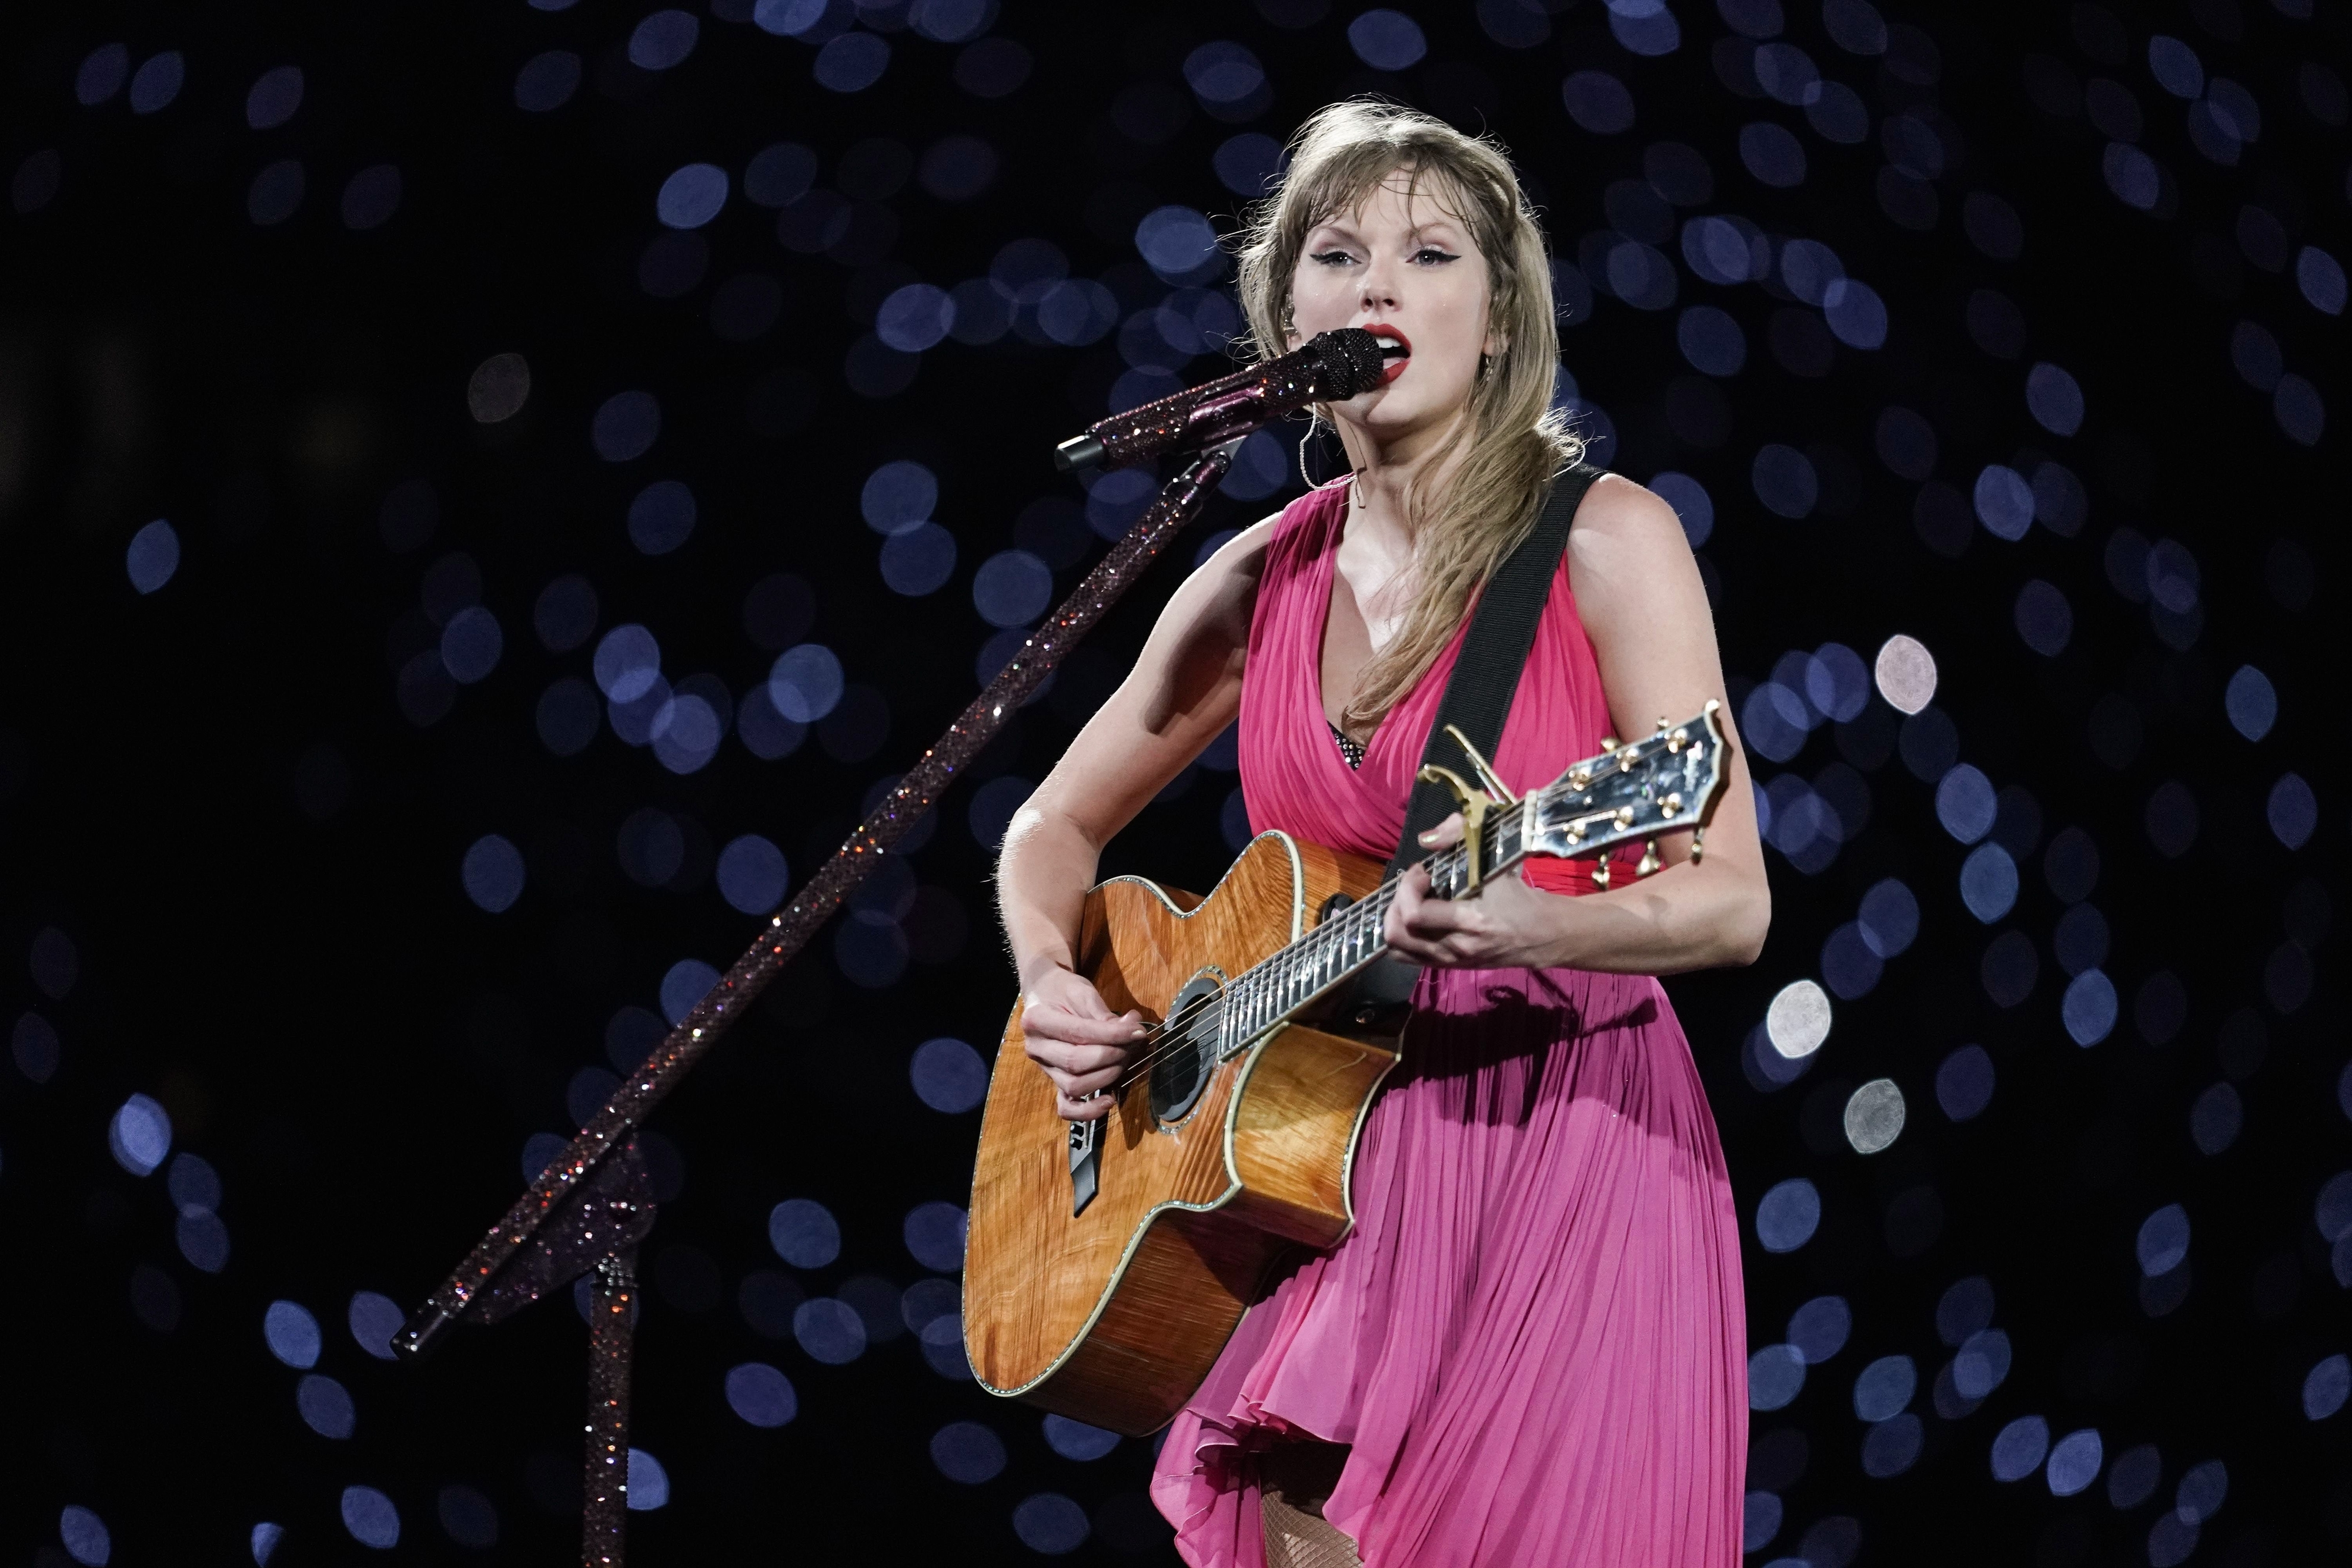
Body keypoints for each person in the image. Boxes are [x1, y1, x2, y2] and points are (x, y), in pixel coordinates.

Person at [994, 101, 1770, 1568]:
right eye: (1337, 255)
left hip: (1564, 1143)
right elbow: (1048, 826)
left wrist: (1532, 920)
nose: (1378, 287)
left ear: (1495, 320)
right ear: (1287, 316)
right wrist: (1053, 979)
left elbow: (1729, 901)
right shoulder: (1252, 578)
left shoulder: (1606, 539)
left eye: (1428, 255)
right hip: (1308, 1164)